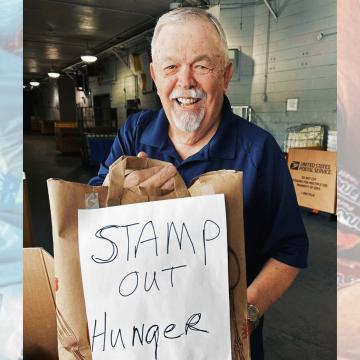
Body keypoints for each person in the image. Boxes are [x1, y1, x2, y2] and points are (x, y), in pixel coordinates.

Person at [89, 7, 308, 359]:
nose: (185, 81)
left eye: (202, 66)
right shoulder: (135, 133)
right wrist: (122, 191)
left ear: (225, 76)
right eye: (171, 66)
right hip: (139, 331)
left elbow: (290, 251)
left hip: (222, 341)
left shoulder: (258, 151)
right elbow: (93, 213)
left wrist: (244, 314)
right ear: (155, 77)